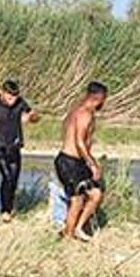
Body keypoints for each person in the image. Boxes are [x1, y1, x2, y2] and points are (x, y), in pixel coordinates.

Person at [54, 81, 108, 241]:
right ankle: (68, 235)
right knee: (77, 200)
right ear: (99, 98)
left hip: (76, 162)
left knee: (96, 194)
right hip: (69, 162)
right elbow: (79, 142)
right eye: (104, 100)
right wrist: (93, 164)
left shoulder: (75, 109)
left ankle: (78, 227)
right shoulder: (85, 113)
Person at [0, 79, 39, 221]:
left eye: (15, 96)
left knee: (14, 180)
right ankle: (4, 212)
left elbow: (35, 117)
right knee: (7, 177)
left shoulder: (21, 103)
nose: (13, 100)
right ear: (2, 92)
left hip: (15, 146)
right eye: (9, 97)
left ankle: (10, 208)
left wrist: (31, 117)